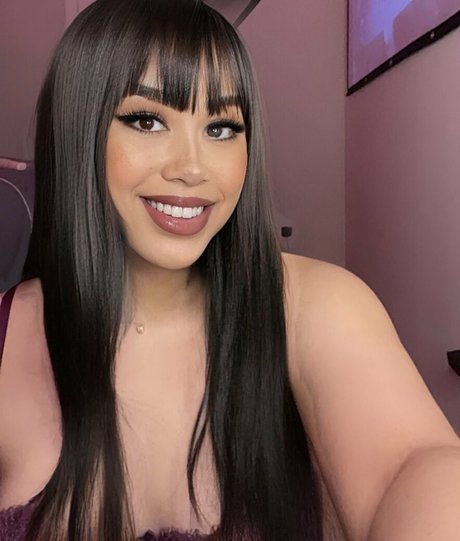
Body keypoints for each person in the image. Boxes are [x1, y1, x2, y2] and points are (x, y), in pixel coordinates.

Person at [0, 1, 459, 540]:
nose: (193, 168)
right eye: (147, 120)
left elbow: (412, 464)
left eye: (221, 128)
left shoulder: (314, 305)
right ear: (77, 129)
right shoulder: (10, 335)